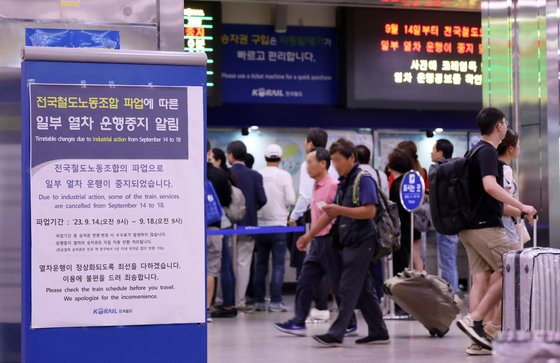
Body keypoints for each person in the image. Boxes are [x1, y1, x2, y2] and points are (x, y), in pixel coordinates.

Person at [455, 107, 536, 354]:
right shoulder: (489, 151)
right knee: (513, 272)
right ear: (499, 126)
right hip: (485, 226)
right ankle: (477, 320)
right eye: (505, 123)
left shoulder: (474, 150)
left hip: (467, 226)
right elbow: (490, 186)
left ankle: (477, 342)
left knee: (482, 278)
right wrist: (521, 206)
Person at [295, 138, 390, 347]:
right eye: (333, 160)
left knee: (346, 287)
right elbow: (329, 215)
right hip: (349, 241)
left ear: (352, 158)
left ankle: (337, 333)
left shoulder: (363, 179)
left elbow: (369, 211)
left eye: (338, 160)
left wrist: (340, 210)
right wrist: (309, 236)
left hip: (363, 241)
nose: (335, 165)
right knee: (364, 290)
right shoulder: (345, 181)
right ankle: (379, 331)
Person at [274, 147, 357, 337]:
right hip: (317, 243)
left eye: (310, 162)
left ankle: (350, 322)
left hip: (330, 241)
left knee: (338, 284)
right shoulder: (316, 186)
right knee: (304, 280)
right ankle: (298, 321)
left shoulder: (333, 186)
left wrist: (308, 235)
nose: (307, 166)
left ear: (323, 164)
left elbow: (334, 217)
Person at [288, 128, 338, 321]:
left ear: (309, 143)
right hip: (331, 218)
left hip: (314, 219)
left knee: (312, 264)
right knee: (322, 265)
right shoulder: (332, 162)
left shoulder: (310, 162)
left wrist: (294, 216)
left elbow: (306, 196)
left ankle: (318, 309)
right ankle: (316, 310)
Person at [254, 144, 296, 312]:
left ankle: (258, 301)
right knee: (278, 265)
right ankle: (276, 301)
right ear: (280, 159)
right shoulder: (284, 175)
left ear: (265, 158)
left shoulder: (258, 174)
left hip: (260, 225)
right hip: (279, 225)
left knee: (260, 266)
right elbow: (291, 200)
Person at [227, 141, 267, 311]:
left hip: (228, 226)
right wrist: (250, 210)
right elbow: (263, 199)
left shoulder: (225, 174)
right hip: (248, 226)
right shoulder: (255, 176)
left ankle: (225, 299)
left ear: (230, 155)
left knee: (227, 264)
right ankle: (241, 301)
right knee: (244, 264)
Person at [208, 147, 238, 318]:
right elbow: (228, 199)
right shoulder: (219, 175)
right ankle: (221, 305)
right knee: (221, 267)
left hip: (191, 228)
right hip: (216, 226)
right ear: (209, 153)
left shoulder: (190, 173)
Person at [430, 139, 461, 293]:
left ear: (440, 153)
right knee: (450, 262)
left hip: (445, 224)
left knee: (447, 263)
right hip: (454, 222)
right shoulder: (455, 170)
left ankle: (451, 298)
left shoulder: (441, 171)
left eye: (433, 149)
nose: (431, 152)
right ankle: (451, 296)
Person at [394, 140, 425, 271]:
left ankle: (409, 285)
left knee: (405, 258)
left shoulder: (400, 176)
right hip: (416, 218)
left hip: (404, 222)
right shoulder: (420, 172)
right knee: (416, 256)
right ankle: (421, 282)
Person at [387, 149, 418, 279]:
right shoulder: (408, 182)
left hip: (399, 233)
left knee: (399, 269)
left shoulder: (396, 185)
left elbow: (395, 212)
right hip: (409, 229)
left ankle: (398, 299)